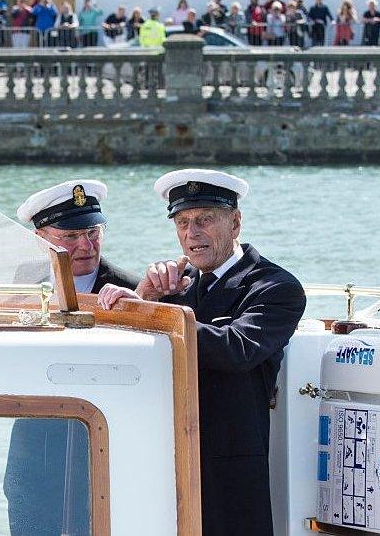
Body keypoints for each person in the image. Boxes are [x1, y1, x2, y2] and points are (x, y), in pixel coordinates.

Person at [97, 168, 306, 536]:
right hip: (163, 461)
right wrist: (145, 295)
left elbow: (235, 349)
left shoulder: (275, 287)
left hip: (229, 475)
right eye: (182, 222)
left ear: (235, 222)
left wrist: (149, 311)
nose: (191, 234)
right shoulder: (174, 287)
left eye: (204, 220)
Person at [6, 179, 138, 536]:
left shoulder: (131, 290)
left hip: (101, 439)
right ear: (41, 237)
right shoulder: (23, 282)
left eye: (93, 232)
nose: (85, 245)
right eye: (70, 236)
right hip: (34, 439)